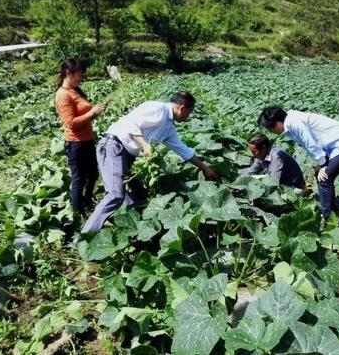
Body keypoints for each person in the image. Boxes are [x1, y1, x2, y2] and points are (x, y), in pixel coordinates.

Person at [81, 91, 221, 233]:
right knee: (115, 195)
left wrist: (205, 168)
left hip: (127, 155)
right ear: (182, 108)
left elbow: (183, 150)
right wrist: (144, 144)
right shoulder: (157, 108)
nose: (188, 117)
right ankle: (85, 235)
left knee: (140, 194)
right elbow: (130, 125)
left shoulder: (168, 127)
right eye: (189, 113)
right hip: (113, 146)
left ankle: (130, 228)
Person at [258, 105, 339, 221]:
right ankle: (332, 210)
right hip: (335, 145)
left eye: (270, 129)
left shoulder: (295, 123)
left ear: (276, 124)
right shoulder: (291, 120)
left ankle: (327, 218)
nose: (271, 132)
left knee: (324, 179)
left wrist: (323, 165)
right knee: (321, 175)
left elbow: (310, 143)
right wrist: (322, 164)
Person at [55, 59, 108, 215]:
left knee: (92, 175)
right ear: (68, 73)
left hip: (87, 140)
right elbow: (70, 123)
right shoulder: (63, 95)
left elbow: (84, 117)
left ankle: (87, 202)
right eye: (79, 74)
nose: (81, 77)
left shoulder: (75, 90)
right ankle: (78, 213)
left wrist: (95, 113)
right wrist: (91, 113)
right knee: (79, 179)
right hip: (75, 143)